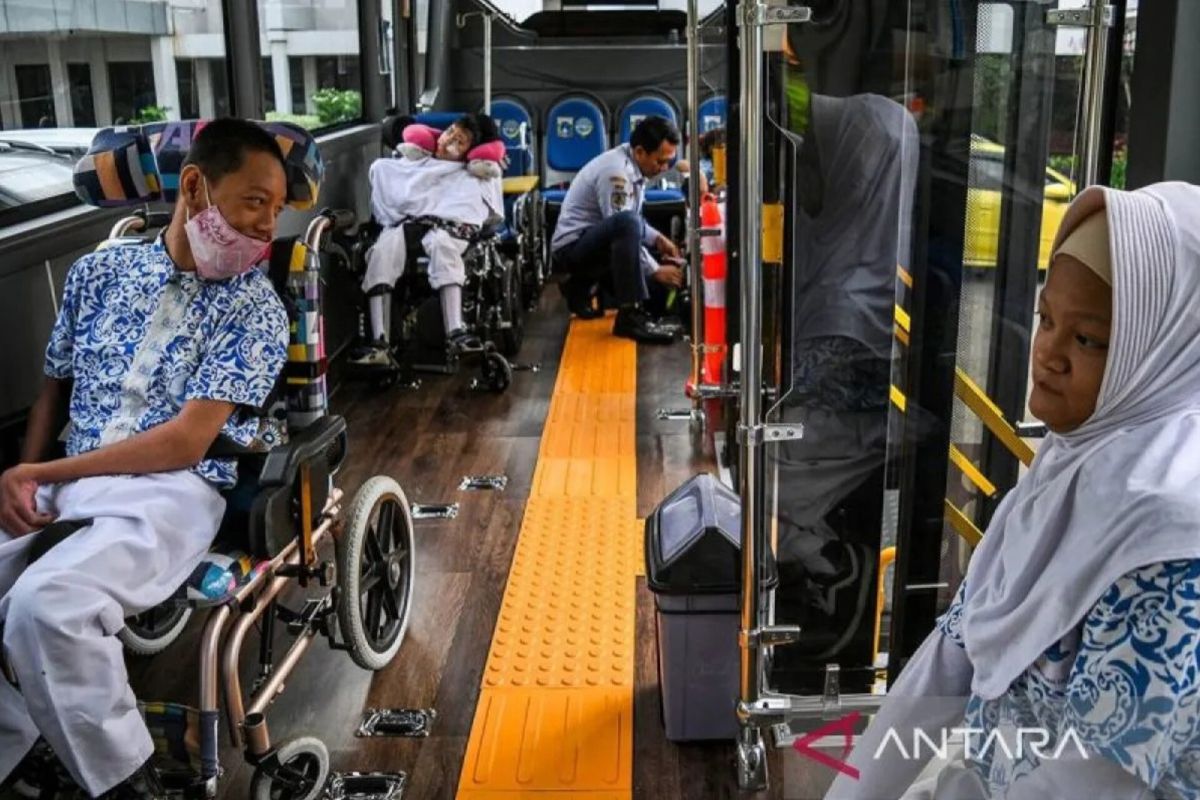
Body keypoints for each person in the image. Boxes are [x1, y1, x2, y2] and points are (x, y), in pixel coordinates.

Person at [826, 182, 1200, 799]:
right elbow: (956, 649)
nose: (1047, 353)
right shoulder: (1073, 464)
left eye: (1088, 339)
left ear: (1159, 352)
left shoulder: (1167, 541)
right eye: (1046, 318)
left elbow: (1094, 781)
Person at [0, 118, 290, 799]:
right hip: (69, 475)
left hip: (172, 489)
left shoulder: (257, 310)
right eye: (254, 202)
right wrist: (23, 479)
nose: (266, 226)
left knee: (47, 605)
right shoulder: (98, 273)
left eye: (277, 210)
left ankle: (128, 782)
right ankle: (17, 752)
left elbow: (185, 441)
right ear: (195, 186)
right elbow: (56, 384)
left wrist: (39, 472)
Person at [351, 113, 505, 367]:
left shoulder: (471, 175)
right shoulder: (411, 164)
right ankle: (380, 341)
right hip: (406, 225)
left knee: (442, 245)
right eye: (449, 133)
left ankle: (456, 331)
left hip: (449, 230)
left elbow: (472, 210)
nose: (447, 142)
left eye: (460, 141)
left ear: (472, 151)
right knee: (382, 251)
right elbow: (389, 182)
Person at [551, 114, 685, 344]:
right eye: (660, 161)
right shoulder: (615, 173)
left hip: (595, 243)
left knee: (659, 299)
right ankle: (629, 315)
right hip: (571, 249)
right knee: (630, 226)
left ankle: (578, 287)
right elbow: (623, 225)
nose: (663, 168)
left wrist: (658, 239)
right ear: (641, 152)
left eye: (668, 162)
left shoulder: (633, 163)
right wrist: (654, 270)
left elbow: (629, 224)